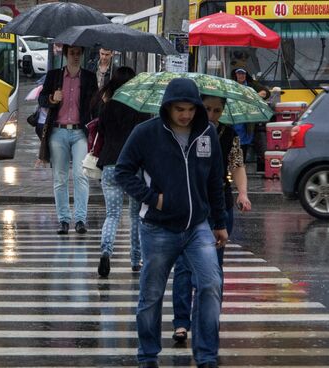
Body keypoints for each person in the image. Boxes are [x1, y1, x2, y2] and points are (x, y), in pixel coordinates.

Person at [115, 78, 228, 368]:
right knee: (151, 296)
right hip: (158, 227)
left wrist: (220, 221)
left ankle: (206, 356)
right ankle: (148, 356)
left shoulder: (207, 134)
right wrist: (153, 199)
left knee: (211, 284)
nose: (186, 115)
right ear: (167, 107)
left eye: (191, 109)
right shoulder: (146, 133)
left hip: (198, 227)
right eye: (179, 109)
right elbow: (123, 171)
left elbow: (215, 180)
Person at [171, 94, 253, 343]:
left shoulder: (228, 135)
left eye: (217, 110)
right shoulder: (183, 132)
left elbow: (237, 165)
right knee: (185, 265)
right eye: (207, 108)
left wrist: (243, 193)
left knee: (214, 268)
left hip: (219, 207)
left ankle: (208, 321)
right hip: (190, 207)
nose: (212, 115)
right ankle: (181, 323)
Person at [94, 66, 150, 277]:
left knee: (112, 215)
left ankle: (106, 251)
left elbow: (101, 132)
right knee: (136, 215)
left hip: (110, 166)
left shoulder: (107, 107)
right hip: (133, 167)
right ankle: (135, 260)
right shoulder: (140, 108)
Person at [38, 44, 98, 235]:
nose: (75, 56)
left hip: (80, 132)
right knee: (60, 177)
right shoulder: (54, 75)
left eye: (78, 53)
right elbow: (41, 100)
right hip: (58, 131)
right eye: (72, 53)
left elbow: (95, 104)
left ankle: (80, 219)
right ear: (65, 55)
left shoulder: (88, 77)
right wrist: (51, 99)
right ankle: (63, 219)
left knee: (81, 175)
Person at [231, 68, 269, 166]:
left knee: (245, 141)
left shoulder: (252, 84)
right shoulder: (231, 84)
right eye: (239, 74)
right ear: (235, 75)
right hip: (235, 118)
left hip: (248, 119)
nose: (241, 76)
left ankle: (241, 164)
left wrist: (253, 95)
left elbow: (266, 92)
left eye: (243, 73)